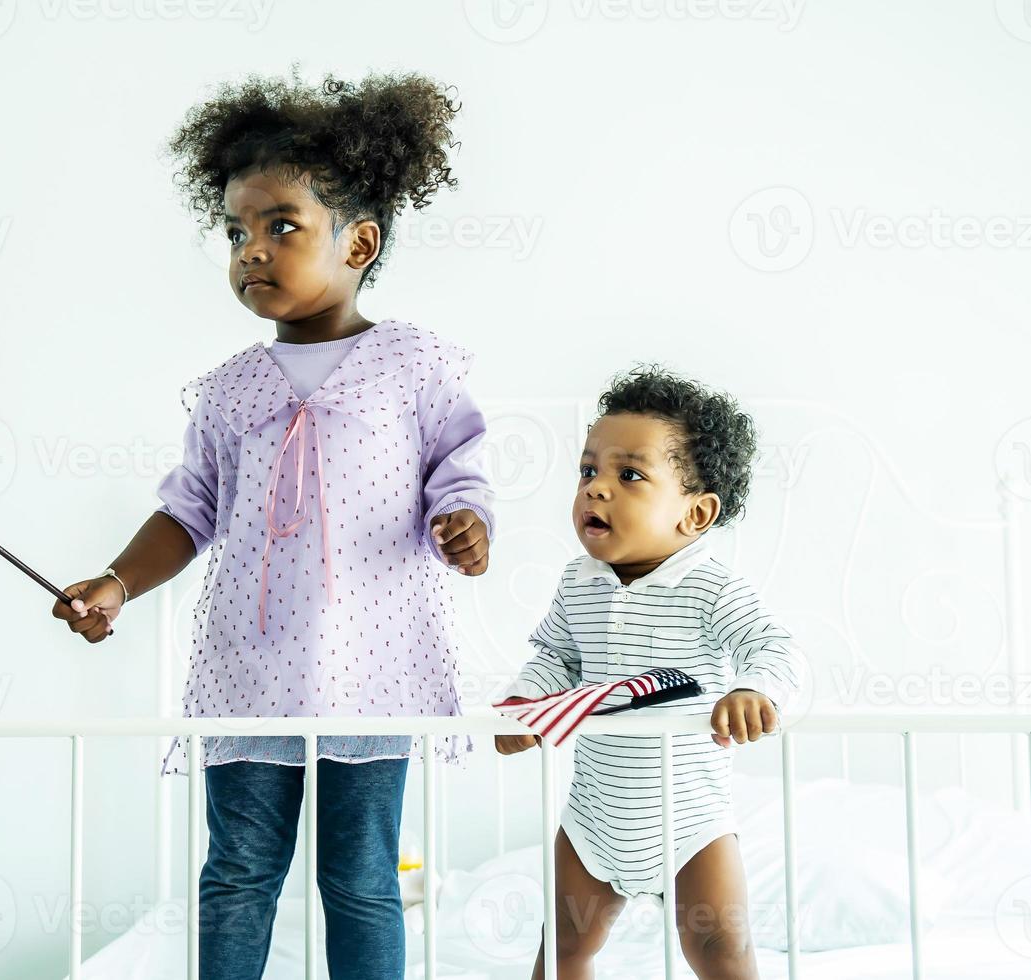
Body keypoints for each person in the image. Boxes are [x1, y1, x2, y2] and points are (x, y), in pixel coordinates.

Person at [52, 66, 496, 980]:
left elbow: (460, 465)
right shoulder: (230, 389)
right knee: (237, 872)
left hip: (371, 669)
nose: (250, 250)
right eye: (234, 233)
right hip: (251, 672)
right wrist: (117, 580)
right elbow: (189, 508)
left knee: (362, 877)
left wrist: (462, 519)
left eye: (279, 226)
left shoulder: (411, 364)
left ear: (359, 242)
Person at [497, 366, 806, 980]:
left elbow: (774, 647)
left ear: (695, 515)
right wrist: (527, 698)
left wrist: (754, 691)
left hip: (691, 820)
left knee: (721, 950)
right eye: (589, 471)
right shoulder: (577, 584)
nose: (597, 489)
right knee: (563, 948)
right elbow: (554, 655)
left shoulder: (710, 589)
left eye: (629, 475)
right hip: (594, 818)